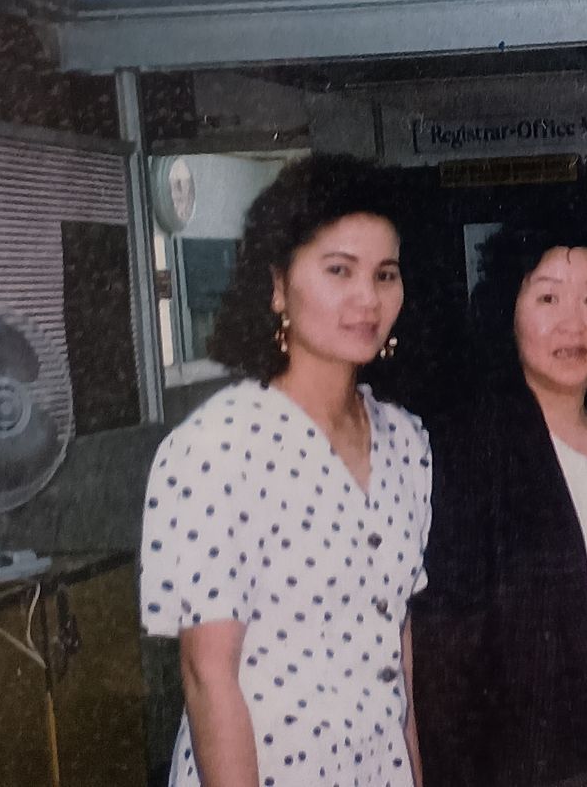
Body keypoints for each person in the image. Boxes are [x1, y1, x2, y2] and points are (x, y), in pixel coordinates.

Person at [140, 158, 431, 787]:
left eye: (386, 274)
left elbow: (396, 648)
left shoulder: (407, 442)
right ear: (277, 287)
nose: (367, 298)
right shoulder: (217, 449)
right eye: (338, 270)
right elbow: (207, 676)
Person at [412, 224, 587, 787]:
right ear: (505, 315)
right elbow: (444, 669)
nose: (573, 322)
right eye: (547, 297)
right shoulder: (465, 451)